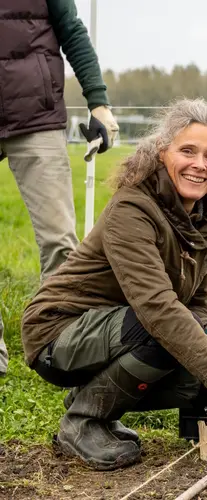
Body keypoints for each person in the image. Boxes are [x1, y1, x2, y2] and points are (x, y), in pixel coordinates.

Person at [20, 98, 207, 471]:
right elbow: (158, 309)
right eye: (187, 150)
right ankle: (82, 422)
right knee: (163, 334)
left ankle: (93, 398)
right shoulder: (132, 211)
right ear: (161, 152)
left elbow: (195, 304)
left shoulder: (204, 219)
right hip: (58, 332)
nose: (199, 165)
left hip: (117, 329)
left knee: (195, 374)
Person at [0, 0, 121, 376]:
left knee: (59, 240)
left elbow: (72, 31)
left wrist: (98, 102)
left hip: (34, 116)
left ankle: (63, 345)